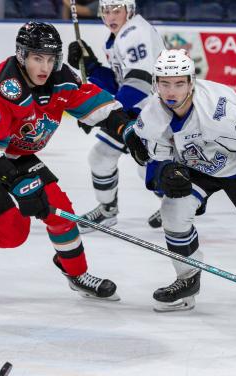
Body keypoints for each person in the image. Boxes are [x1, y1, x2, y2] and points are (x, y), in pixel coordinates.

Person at [0, 21, 134, 301]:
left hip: (7, 146)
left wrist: (127, 130)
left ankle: (77, 274)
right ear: (22, 56)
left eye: (50, 59)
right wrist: (19, 183)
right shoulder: (6, 89)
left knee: (60, 211)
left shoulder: (59, 77)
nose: (44, 67)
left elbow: (92, 102)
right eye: (37, 58)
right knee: (11, 233)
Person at [122, 49, 236, 312]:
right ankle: (187, 281)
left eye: (179, 84)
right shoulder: (152, 114)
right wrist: (164, 173)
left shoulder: (220, 110)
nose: (171, 92)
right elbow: (155, 156)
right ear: (155, 84)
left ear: (191, 82)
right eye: (165, 84)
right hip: (199, 169)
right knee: (173, 212)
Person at [66, 0, 166, 232]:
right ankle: (107, 211)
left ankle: (175, 206)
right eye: (106, 11)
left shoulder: (134, 33)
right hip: (135, 110)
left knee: (148, 167)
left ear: (129, 10)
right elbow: (121, 81)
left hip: (151, 112)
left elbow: (139, 83)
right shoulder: (119, 36)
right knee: (101, 157)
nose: (110, 16)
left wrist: (107, 111)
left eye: (117, 10)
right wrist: (92, 67)